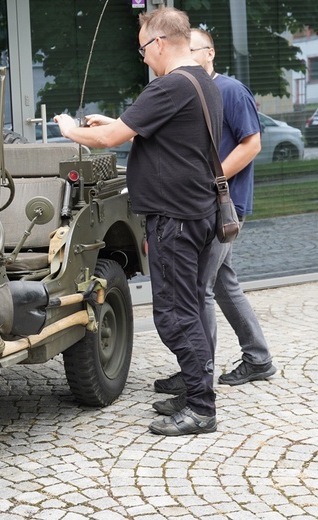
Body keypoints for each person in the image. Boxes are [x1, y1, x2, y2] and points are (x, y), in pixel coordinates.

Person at [54, 7, 221, 436]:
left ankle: (201, 407)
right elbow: (164, 132)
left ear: (161, 43)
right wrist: (117, 122)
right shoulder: (201, 82)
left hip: (174, 220)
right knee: (188, 309)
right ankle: (193, 388)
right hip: (195, 213)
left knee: (174, 315)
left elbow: (109, 141)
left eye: (144, 47)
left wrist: (72, 129)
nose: (144, 56)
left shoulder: (168, 87)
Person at [152, 29, 277, 410]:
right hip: (205, 203)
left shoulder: (231, 89)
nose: (186, 57)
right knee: (222, 283)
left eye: (193, 51)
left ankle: (197, 374)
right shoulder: (190, 90)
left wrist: (213, 180)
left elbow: (252, 143)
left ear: (210, 54)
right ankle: (257, 357)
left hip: (223, 204)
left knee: (197, 288)